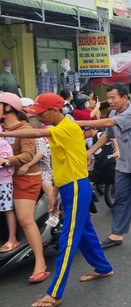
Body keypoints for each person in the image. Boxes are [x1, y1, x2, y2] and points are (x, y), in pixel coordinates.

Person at [0, 93, 113, 307]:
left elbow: (37, 132)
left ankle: (54, 293)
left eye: (43, 113)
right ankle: (104, 268)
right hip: (68, 187)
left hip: (78, 187)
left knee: (68, 240)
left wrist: (2, 132)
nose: (40, 117)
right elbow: (61, 164)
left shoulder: (66, 128)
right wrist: (54, 193)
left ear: (55, 111)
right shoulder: (59, 130)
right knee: (86, 233)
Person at [81, 83, 131, 247]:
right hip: (123, 164)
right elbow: (107, 135)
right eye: (108, 98)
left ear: (124, 98)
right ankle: (117, 234)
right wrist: (91, 151)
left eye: (113, 97)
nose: (110, 101)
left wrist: (77, 122)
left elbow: (109, 124)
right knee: (121, 199)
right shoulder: (112, 113)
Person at [0, 92, 48, 283]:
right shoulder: (2, 127)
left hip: (25, 178)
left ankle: (40, 262)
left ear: (8, 107)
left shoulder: (24, 128)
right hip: (6, 179)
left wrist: (6, 161)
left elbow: (28, 155)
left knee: (24, 218)